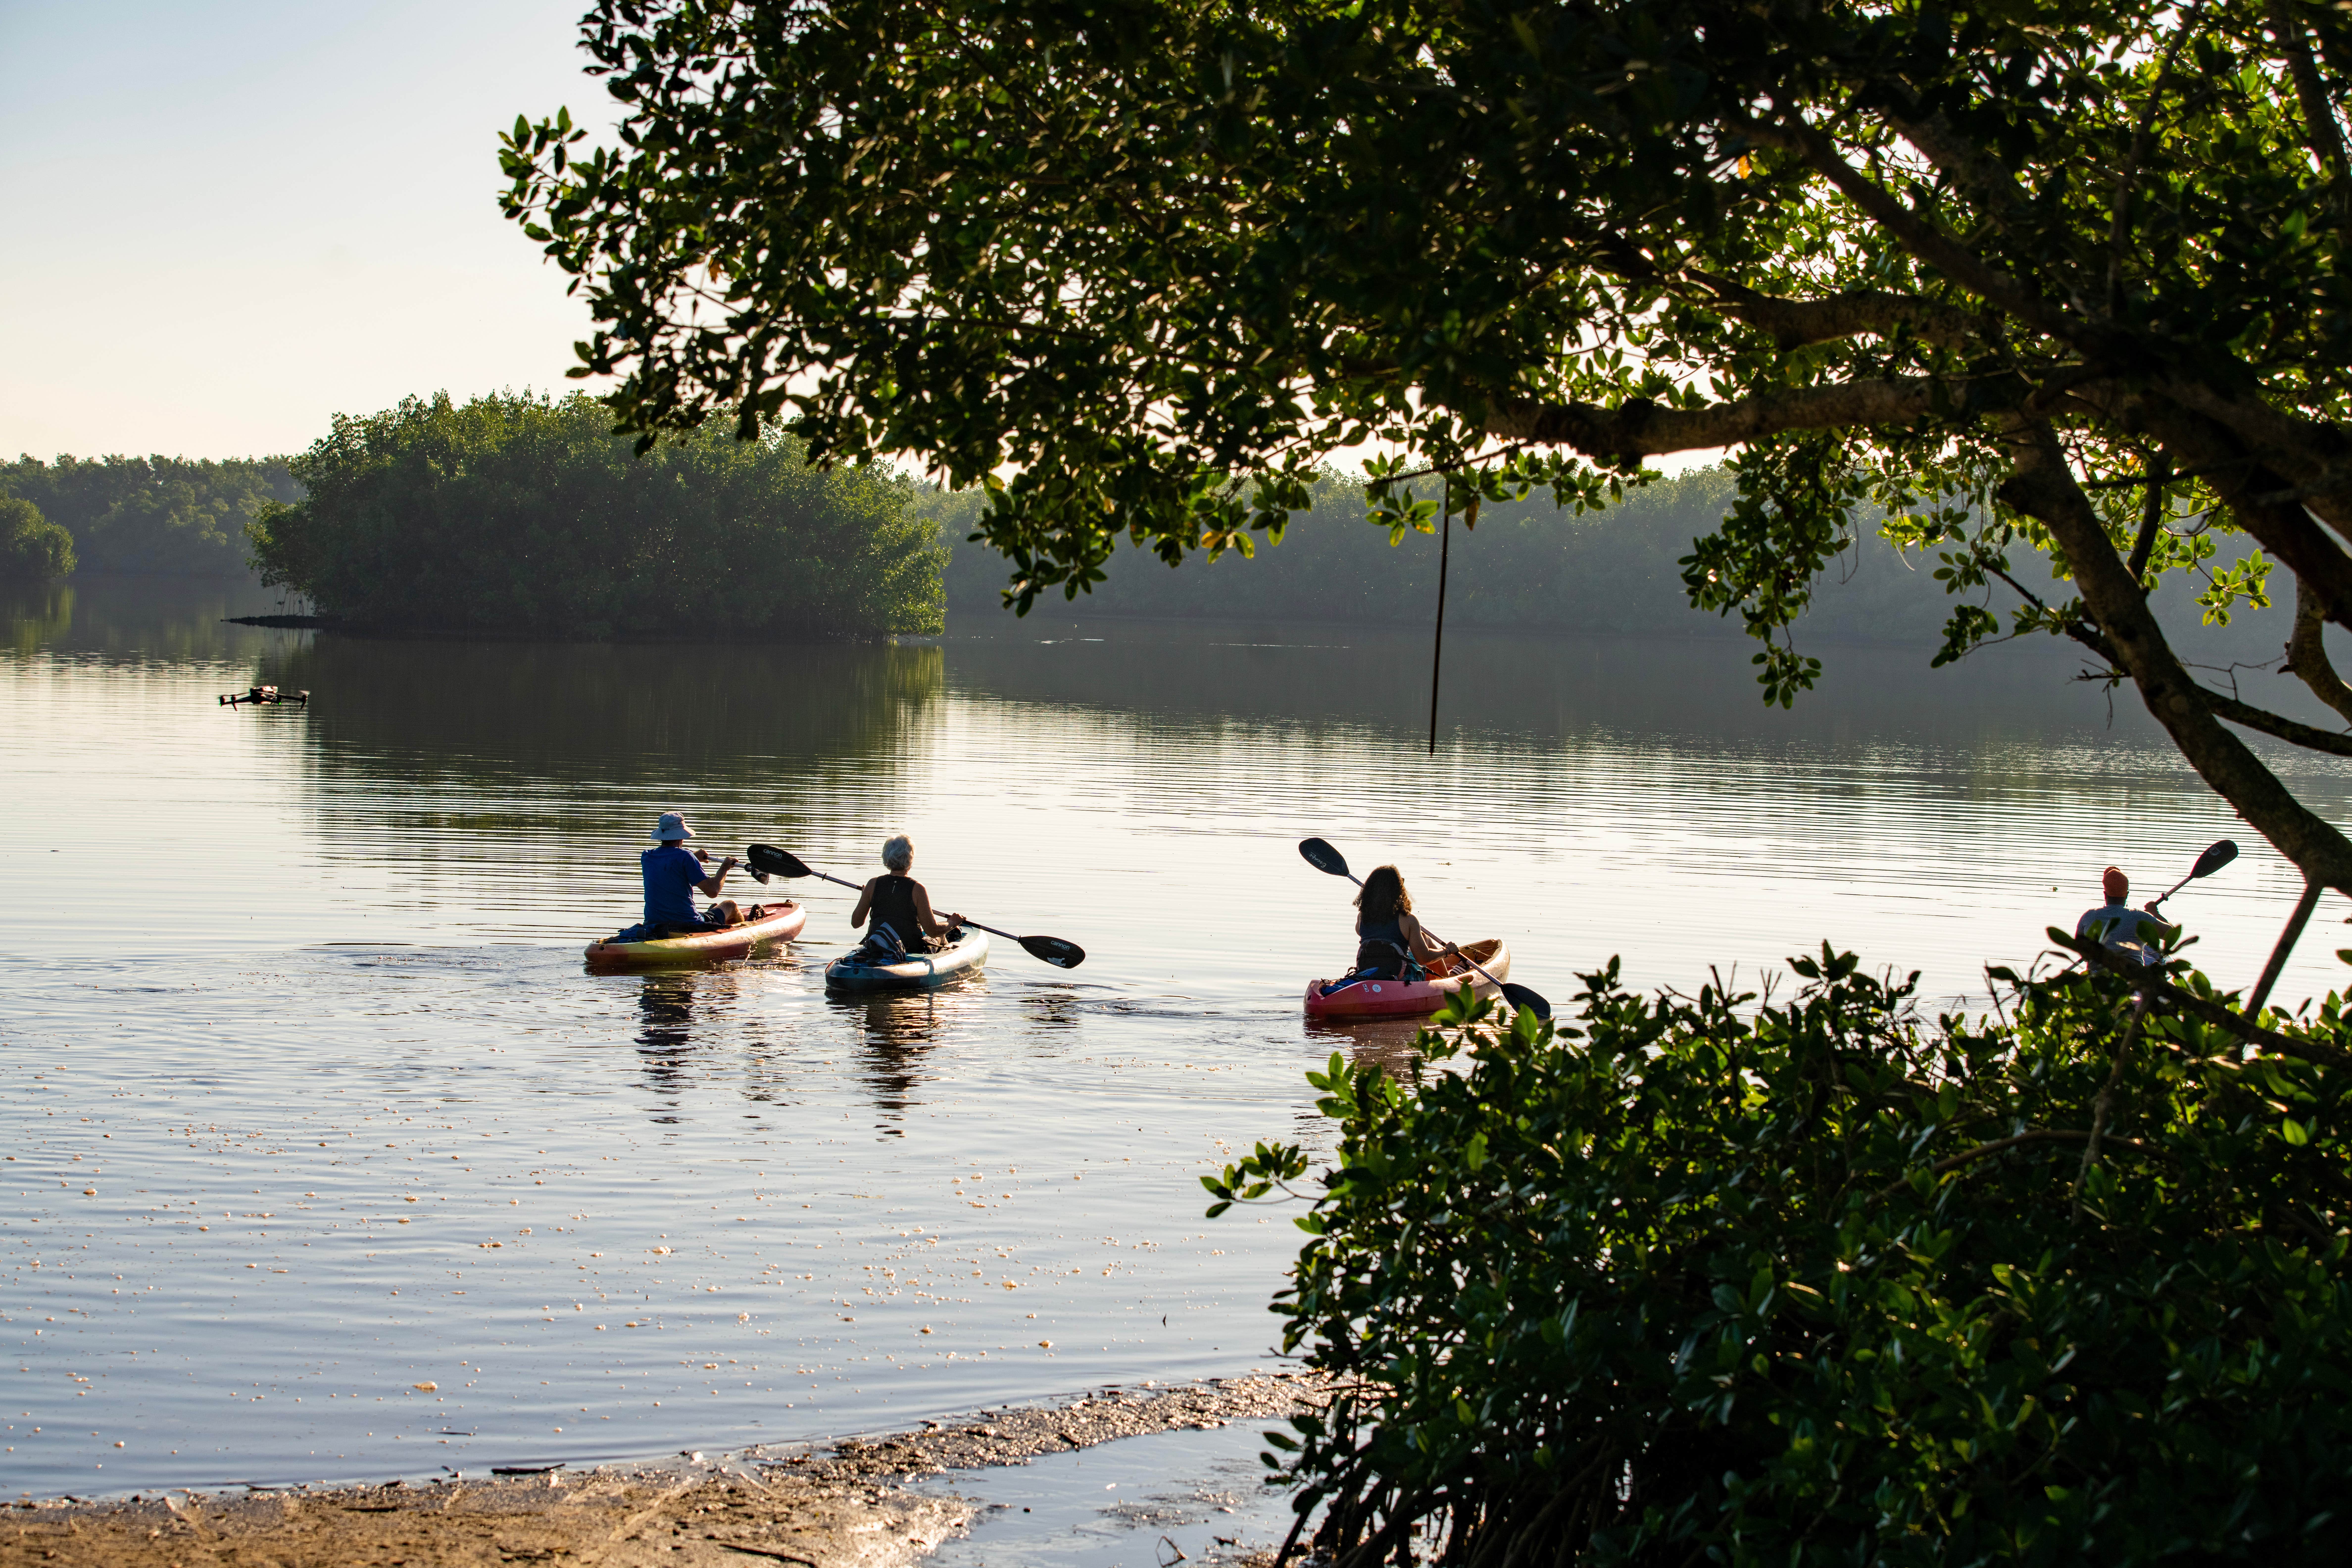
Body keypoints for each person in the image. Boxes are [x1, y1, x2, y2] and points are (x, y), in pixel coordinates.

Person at [641, 812, 754, 937]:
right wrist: (725, 868)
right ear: (682, 836)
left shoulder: (647, 856)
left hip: (653, 923)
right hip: (688, 924)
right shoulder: (686, 857)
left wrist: (694, 856)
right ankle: (747, 931)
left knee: (715, 909)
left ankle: (714, 913)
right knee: (730, 905)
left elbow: (671, 864)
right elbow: (713, 892)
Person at [848, 834, 963, 956]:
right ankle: (950, 944)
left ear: (886, 857)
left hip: (877, 947)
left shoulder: (873, 884)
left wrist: (866, 896)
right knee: (940, 935)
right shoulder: (918, 889)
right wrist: (953, 923)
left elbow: (856, 923)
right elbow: (933, 931)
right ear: (910, 858)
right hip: (912, 950)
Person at [1350, 865, 1455, 981]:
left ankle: (1442, 979)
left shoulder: (1362, 917)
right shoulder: (1409, 920)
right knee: (1427, 941)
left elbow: (1367, 935)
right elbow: (1424, 958)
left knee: (1423, 938)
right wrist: (1447, 951)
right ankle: (1447, 981)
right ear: (1397, 890)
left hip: (1367, 975)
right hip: (1402, 980)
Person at [2075, 865, 2178, 967]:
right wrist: (2155, 913)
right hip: (2132, 976)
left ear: (2105, 894)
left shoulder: (2088, 916)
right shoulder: (2140, 917)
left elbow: (2082, 952)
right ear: (2127, 895)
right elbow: (2171, 934)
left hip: (2098, 977)